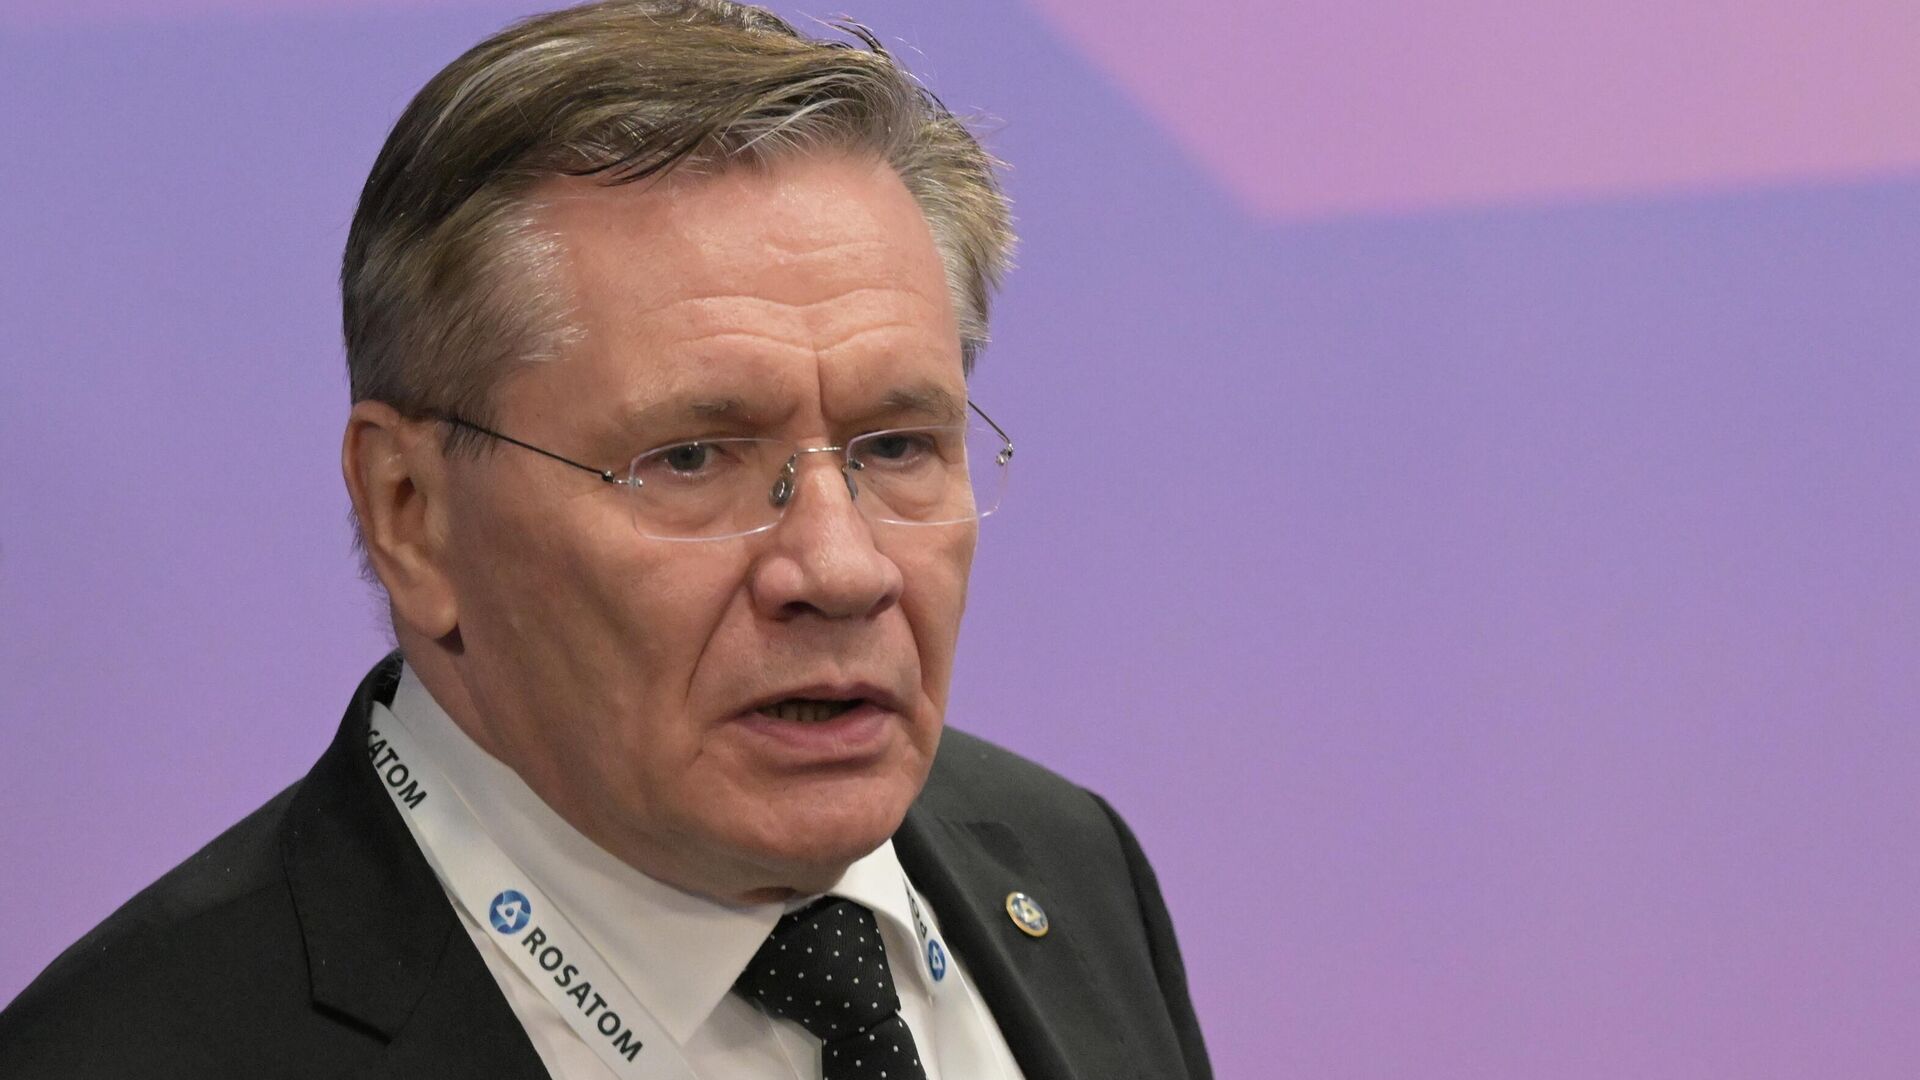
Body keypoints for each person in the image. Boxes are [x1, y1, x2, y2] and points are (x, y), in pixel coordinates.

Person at [0, 3, 1211, 1077]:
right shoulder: (132, 1053)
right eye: (689, 460)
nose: (843, 568)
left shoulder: (1068, 866)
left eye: (896, 446)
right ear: (411, 512)